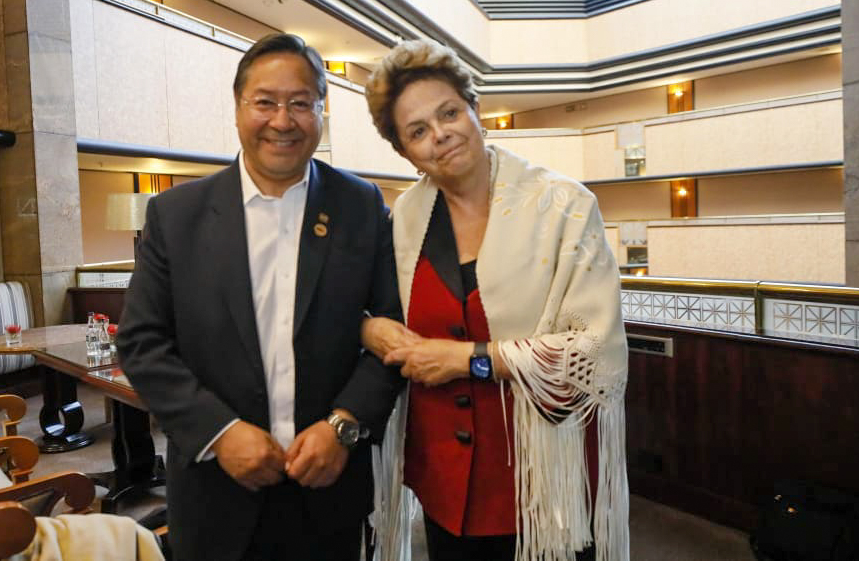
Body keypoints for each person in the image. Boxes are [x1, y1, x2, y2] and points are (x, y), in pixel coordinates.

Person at [117, 33, 404, 561]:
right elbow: (141, 343)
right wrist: (219, 432)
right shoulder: (176, 215)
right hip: (214, 491)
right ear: (238, 108)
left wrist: (344, 425)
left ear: (321, 112)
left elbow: (392, 329)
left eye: (300, 103)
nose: (282, 119)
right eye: (265, 102)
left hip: (328, 488)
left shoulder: (361, 206)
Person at [362, 39, 629, 561]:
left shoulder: (566, 206)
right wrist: (369, 329)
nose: (440, 134)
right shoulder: (403, 221)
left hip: (543, 480)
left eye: (449, 112)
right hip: (444, 479)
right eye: (417, 131)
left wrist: (470, 360)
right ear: (402, 151)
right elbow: (374, 312)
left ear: (475, 110)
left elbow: (596, 351)